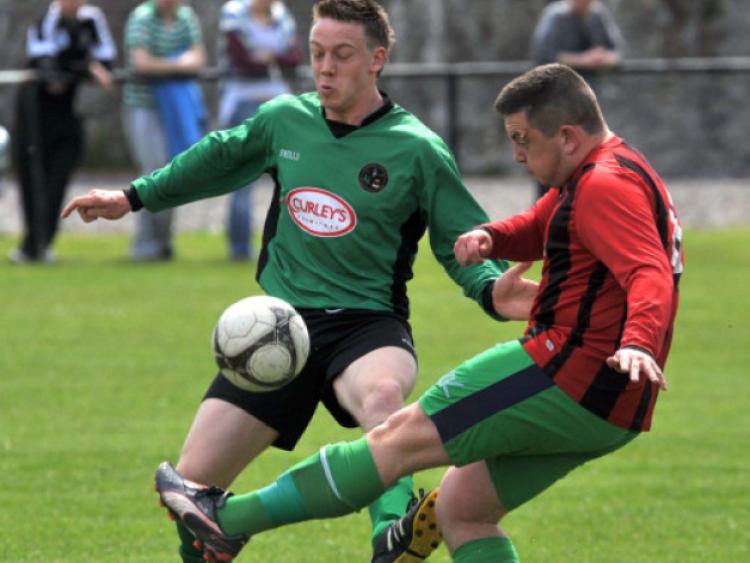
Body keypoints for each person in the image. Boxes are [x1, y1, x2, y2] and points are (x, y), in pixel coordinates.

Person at [149, 63, 684, 563]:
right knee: (462, 511)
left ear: (567, 136)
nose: (517, 155)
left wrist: (637, 339)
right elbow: (545, 223)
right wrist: (491, 236)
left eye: (523, 141)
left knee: (396, 438)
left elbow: (648, 272)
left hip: (566, 371)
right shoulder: (617, 168)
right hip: (615, 408)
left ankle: (228, 519)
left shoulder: (603, 187)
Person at [62, 1, 530, 561]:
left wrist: (490, 287)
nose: (325, 68)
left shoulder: (417, 148)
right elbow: (217, 157)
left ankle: (393, 534)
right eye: (316, 54)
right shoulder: (284, 119)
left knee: (383, 397)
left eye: (342, 55)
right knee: (190, 493)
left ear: (377, 59)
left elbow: (464, 240)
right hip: (278, 327)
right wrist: (132, 197)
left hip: (367, 324)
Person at [9, 0, 115, 264]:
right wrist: (86, 66)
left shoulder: (91, 20)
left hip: (66, 109)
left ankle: (44, 241)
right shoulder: (46, 19)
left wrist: (82, 66)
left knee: (59, 176)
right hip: (34, 110)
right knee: (34, 177)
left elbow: (107, 59)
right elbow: (46, 66)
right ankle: (31, 244)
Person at [122, 0, 206, 261]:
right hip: (144, 106)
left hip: (178, 109)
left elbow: (198, 58)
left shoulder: (185, 17)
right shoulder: (142, 17)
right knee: (152, 172)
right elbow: (141, 63)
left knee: (173, 173)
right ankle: (145, 245)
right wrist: (178, 64)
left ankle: (163, 243)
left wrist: (166, 65)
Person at [218, 0, 301, 261]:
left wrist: (267, 57)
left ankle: (292, 249)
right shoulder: (234, 12)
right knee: (243, 178)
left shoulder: (281, 14)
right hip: (242, 101)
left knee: (293, 179)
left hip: (280, 103)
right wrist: (275, 57)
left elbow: (295, 58)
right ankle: (240, 249)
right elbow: (242, 61)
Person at [529, 0, 624, 199]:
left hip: (585, 105)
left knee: (586, 154)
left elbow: (618, 53)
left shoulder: (598, 15)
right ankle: (546, 207)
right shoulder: (555, 16)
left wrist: (604, 58)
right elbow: (543, 54)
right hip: (554, 102)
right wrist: (584, 59)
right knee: (553, 153)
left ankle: (580, 203)